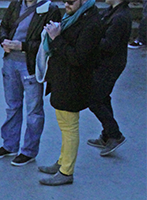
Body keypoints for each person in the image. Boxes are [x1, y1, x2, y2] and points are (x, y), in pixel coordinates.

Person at [37, 0, 101, 186]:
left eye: (71, 1)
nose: (66, 5)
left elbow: (78, 57)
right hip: (63, 80)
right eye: (64, 1)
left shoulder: (91, 23)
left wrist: (57, 38)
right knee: (64, 125)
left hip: (73, 84)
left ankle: (66, 171)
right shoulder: (75, 16)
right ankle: (62, 162)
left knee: (70, 127)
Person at [0, 0, 60, 166]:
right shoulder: (16, 4)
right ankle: (9, 145)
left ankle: (28, 151)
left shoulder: (49, 9)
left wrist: (22, 46)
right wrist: (3, 41)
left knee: (33, 111)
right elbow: (3, 26)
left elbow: (49, 42)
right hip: (10, 63)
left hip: (30, 66)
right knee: (12, 106)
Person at [86, 0, 131, 156]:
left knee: (94, 99)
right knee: (103, 97)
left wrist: (90, 39)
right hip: (106, 63)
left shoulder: (120, 18)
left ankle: (115, 134)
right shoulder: (112, 11)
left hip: (110, 65)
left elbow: (109, 45)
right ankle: (107, 135)